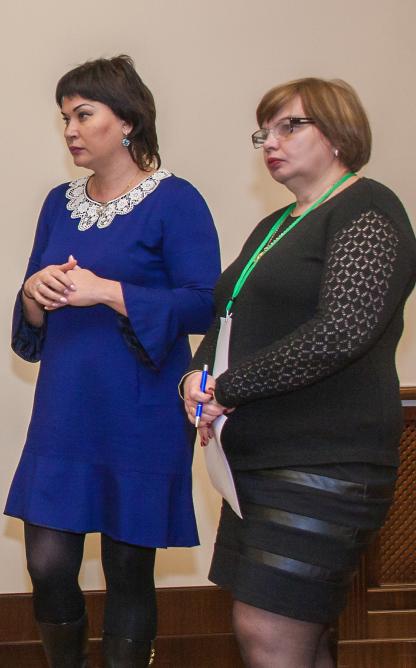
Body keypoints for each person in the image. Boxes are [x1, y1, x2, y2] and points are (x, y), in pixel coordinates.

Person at [183, 78, 416, 668]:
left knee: (268, 631)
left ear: (337, 133)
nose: (271, 142)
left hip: (326, 462)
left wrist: (228, 389)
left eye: (290, 126)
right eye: (264, 132)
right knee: (294, 640)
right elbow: (227, 318)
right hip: (256, 464)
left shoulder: (368, 207)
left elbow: (341, 331)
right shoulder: (274, 226)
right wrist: (196, 378)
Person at [6, 55, 220, 667]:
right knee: (47, 563)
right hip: (65, 405)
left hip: (142, 408)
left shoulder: (176, 200)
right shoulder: (58, 203)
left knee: (128, 567)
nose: (70, 130)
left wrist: (109, 291)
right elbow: (33, 316)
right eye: (64, 119)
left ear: (126, 121)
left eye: (83, 115)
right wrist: (34, 292)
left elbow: (205, 304)